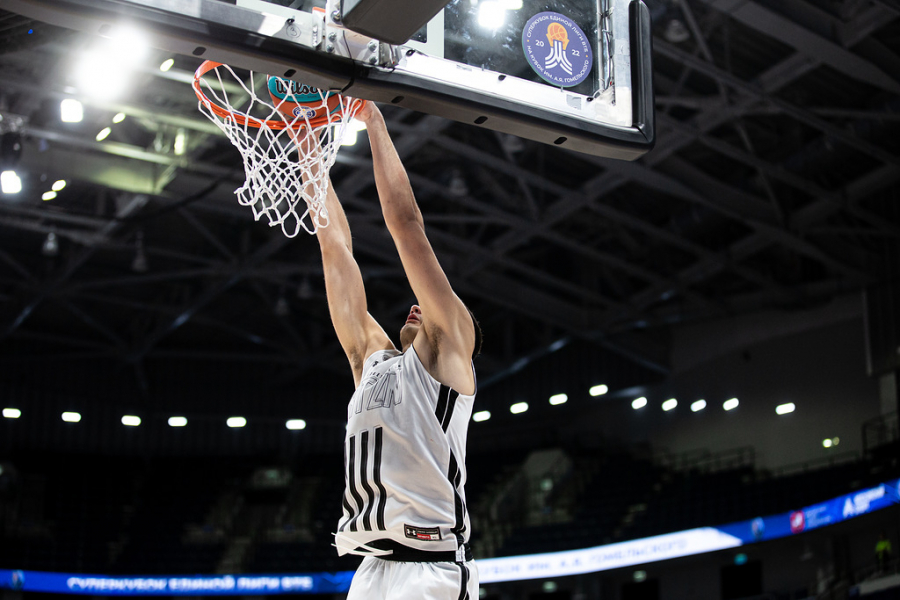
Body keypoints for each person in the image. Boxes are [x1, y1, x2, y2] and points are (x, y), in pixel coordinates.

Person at [314, 101, 482, 600]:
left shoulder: (447, 360)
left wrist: (372, 119)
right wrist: (309, 153)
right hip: (373, 567)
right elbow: (334, 248)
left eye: (430, 309)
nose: (417, 306)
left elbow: (406, 226)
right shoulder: (372, 362)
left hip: (431, 567)